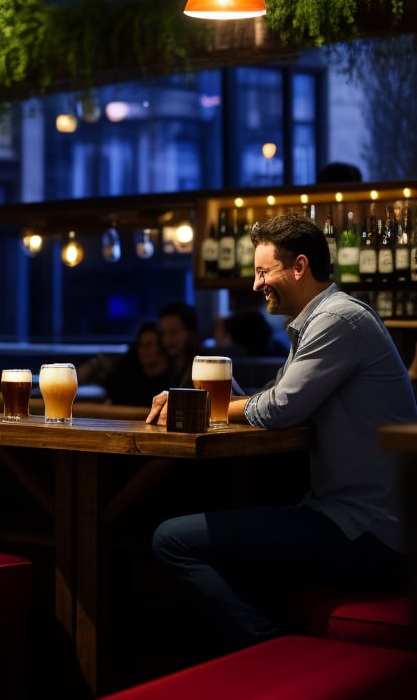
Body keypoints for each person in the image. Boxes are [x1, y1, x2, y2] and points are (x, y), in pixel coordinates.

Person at [146, 213, 417, 661]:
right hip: (341, 517)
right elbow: (275, 401)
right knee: (220, 544)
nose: (256, 285)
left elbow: (279, 408)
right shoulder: (314, 323)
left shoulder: (339, 320)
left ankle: (277, 661)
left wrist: (200, 407)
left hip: (370, 532)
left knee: (172, 539)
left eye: (262, 272)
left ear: (299, 267)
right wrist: (228, 397)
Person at [103, 320, 169, 405]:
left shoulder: (170, 381)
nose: (144, 350)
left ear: (161, 346)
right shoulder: (127, 378)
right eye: (141, 345)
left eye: (149, 344)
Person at [156, 301, 199, 390]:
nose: (167, 339)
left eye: (173, 332)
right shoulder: (159, 365)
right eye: (163, 333)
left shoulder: (199, 369)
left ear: (189, 332)